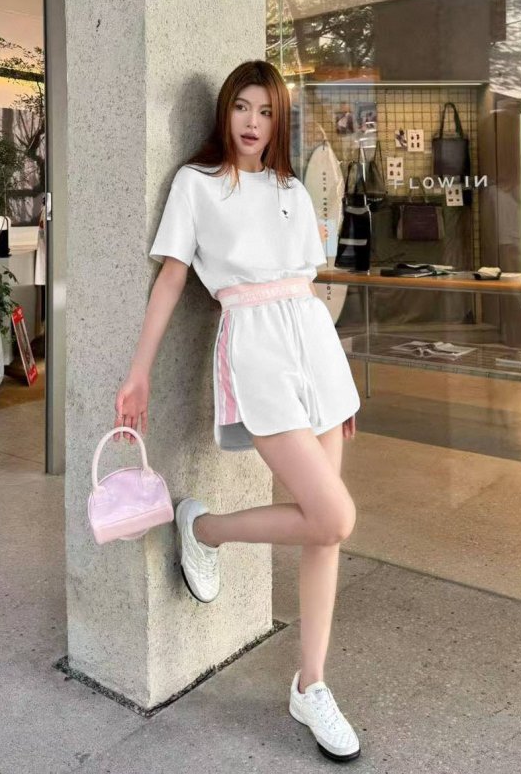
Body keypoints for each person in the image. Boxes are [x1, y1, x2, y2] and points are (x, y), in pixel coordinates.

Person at [114, 60, 362, 763]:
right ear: (225, 113)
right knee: (334, 515)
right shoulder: (195, 185)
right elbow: (171, 279)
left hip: (315, 351)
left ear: (280, 122)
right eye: (242, 107)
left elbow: (308, 288)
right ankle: (205, 528)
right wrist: (138, 373)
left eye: (266, 111)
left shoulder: (290, 189)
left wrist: (338, 381)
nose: (253, 122)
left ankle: (311, 684)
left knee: (323, 533)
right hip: (254, 349)